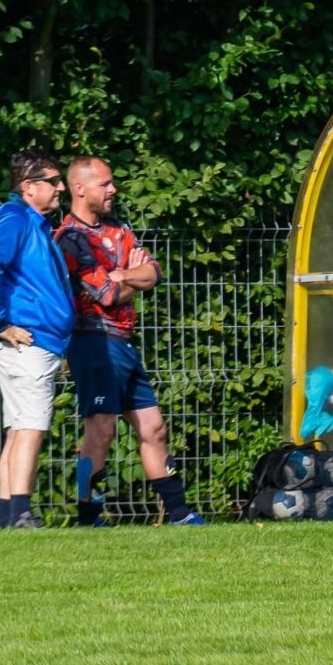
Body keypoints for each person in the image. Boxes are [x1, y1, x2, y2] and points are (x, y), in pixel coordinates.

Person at [52, 157, 205, 525]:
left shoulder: (119, 229)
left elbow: (155, 272)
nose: (113, 190)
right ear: (80, 189)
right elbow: (105, 294)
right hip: (93, 341)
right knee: (100, 429)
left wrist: (122, 274)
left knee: (154, 428)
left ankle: (179, 514)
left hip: (124, 340)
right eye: (104, 184)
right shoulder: (70, 237)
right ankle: (88, 516)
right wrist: (130, 276)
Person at [0, 151, 75, 529]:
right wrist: (0, 322)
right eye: (53, 181)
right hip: (24, 341)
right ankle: (20, 513)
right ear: (28, 186)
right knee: (32, 425)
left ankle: (7, 516)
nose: (61, 187)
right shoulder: (16, 219)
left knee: (19, 427)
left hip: (35, 341)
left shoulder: (28, 221)